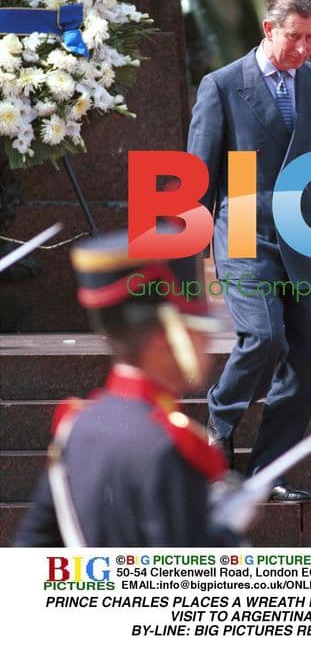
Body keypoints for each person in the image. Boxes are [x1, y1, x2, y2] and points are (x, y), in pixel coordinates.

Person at [187, 0, 311, 502]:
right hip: (241, 229)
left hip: (304, 236)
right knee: (264, 337)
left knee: (305, 360)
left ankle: (266, 474)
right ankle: (221, 415)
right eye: (294, 37)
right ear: (268, 30)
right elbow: (200, 173)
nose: (302, 49)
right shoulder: (222, 84)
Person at [13, 230, 249, 546]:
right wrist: (225, 536)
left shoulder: (76, 428)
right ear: (164, 342)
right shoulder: (169, 447)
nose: (207, 344)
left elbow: (31, 550)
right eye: (198, 331)